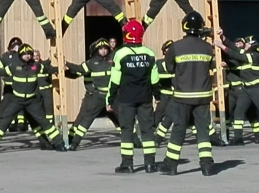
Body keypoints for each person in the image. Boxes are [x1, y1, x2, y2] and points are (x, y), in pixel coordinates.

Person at [157, 12, 215, 176]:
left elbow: (169, 68)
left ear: (184, 26)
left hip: (183, 95)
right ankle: (206, 165)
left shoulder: (176, 46)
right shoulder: (207, 47)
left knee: (179, 128)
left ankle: (171, 164)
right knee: (203, 129)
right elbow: (211, 66)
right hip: (203, 95)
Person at [0, 44, 67, 154]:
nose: (27, 56)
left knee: (44, 122)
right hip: (17, 100)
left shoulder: (36, 66)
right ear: (20, 55)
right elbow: (0, 72)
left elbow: (48, 69)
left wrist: (59, 69)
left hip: (32, 101)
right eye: (25, 54)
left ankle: (59, 143)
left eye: (29, 54)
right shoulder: (14, 66)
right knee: (4, 122)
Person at [106, 20, 158, 173]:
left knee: (127, 130)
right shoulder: (149, 53)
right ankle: (150, 163)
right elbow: (154, 79)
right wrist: (158, 95)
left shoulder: (120, 54)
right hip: (145, 99)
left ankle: (127, 164)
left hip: (127, 99)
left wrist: (109, 99)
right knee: (147, 130)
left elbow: (114, 80)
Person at [214, 35, 259, 145]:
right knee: (238, 113)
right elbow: (235, 49)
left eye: (248, 43)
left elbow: (235, 54)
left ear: (254, 46)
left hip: (257, 89)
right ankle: (238, 138)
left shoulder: (254, 56)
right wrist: (223, 37)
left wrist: (221, 45)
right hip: (246, 89)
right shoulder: (245, 54)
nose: (246, 44)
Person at [65, 38, 117, 150]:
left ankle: (134, 141)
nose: (103, 51)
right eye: (101, 49)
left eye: (105, 49)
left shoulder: (114, 61)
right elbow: (78, 69)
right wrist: (65, 64)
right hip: (97, 96)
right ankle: (74, 143)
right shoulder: (91, 63)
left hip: (112, 96)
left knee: (122, 119)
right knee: (86, 119)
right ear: (96, 50)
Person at [33, 50, 55, 125]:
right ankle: (39, 122)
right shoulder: (31, 67)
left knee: (48, 107)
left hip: (46, 90)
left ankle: (50, 122)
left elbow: (51, 68)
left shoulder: (44, 64)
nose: (36, 57)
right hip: (36, 90)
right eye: (34, 56)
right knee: (38, 107)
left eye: (37, 55)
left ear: (40, 56)